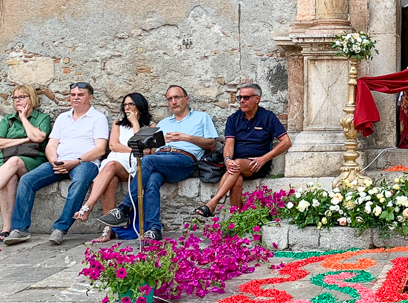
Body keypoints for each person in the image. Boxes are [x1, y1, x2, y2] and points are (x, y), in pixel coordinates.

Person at [98, 85, 217, 240]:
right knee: (152, 179)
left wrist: (184, 137)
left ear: (186, 99)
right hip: (161, 159)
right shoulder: (163, 123)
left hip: (185, 160)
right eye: (170, 99)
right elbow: (151, 151)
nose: (173, 102)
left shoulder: (202, 117)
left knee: (148, 162)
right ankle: (154, 229)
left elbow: (211, 144)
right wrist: (156, 145)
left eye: (177, 97)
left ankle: (124, 208)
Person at [4, 82, 109, 246]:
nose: (75, 98)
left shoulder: (98, 118)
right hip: (59, 161)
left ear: (90, 98)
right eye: (72, 94)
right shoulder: (63, 117)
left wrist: (76, 161)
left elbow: (100, 149)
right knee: (27, 180)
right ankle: (20, 229)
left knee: (80, 181)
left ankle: (60, 228)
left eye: (80, 95)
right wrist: (54, 160)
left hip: (85, 162)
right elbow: (51, 145)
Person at [194, 83, 290, 216]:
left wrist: (264, 158)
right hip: (236, 165)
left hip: (258, 164)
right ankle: (237, 218)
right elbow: (229, 145)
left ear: (257, 99)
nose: (242, 101)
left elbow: (286, 142)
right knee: (237, 177)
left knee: (237, 163)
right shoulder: (234, 119)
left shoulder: (268, 117)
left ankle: (213, 203)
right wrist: (227, 159)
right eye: (240, 98)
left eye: (246, 97)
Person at [74, 93, 156, 243]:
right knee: (110, 181)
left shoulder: (151, 126)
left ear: (140, 105)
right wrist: (135, 149)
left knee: (110, 165)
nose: (127, 108)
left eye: (131, 104)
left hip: (134, 164)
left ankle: (88, 206)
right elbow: (112, 145)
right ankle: (107, 230)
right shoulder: (118, 123)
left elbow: (144, 148)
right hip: (115, 161)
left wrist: (135, 124)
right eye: (125, 105)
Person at [0, 85, 52, 242]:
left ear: (31, 99)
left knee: (14, 162)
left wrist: (23, 118)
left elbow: (38, 138)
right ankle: (7, 228)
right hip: (6, 161)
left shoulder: (42, 118)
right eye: (15, 98)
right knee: (10, 179)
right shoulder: (7, 119)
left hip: (32, 160)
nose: (18, 101)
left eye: (22, 97)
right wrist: (24, 140)